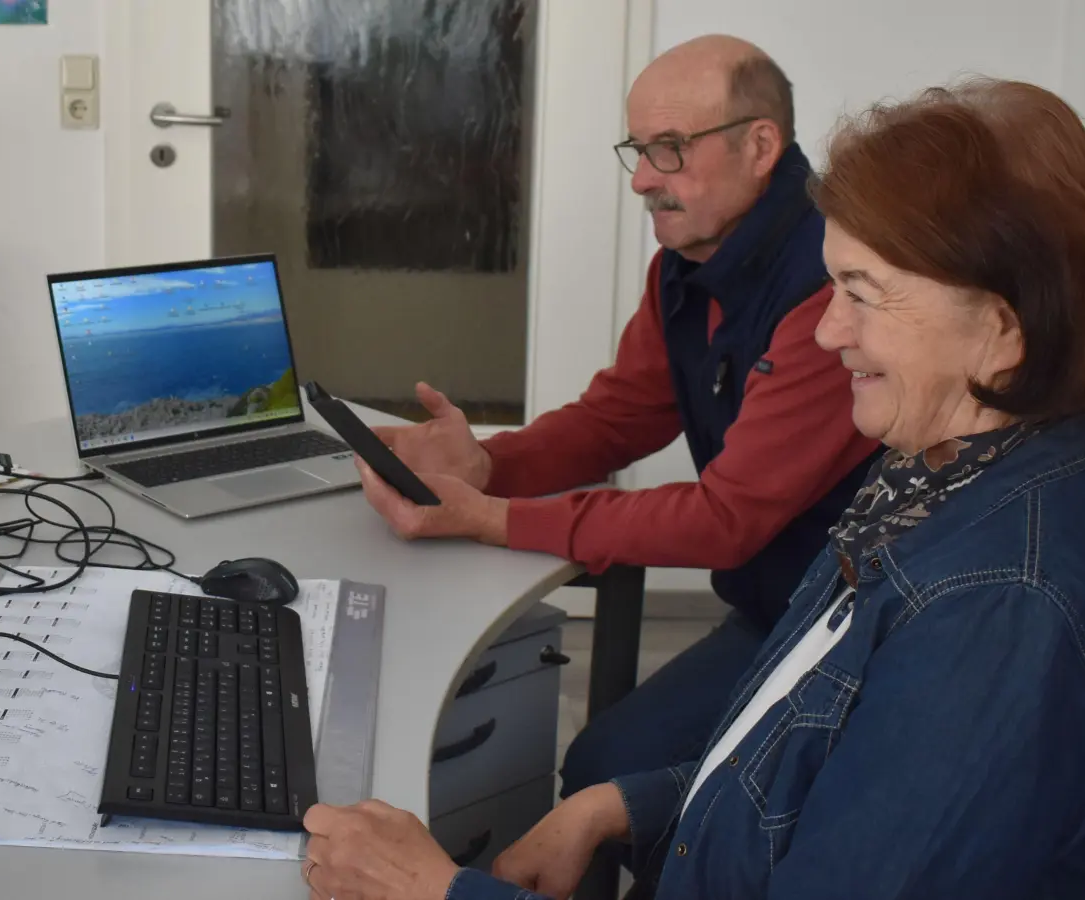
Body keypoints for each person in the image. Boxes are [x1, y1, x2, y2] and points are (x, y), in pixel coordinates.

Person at [300, 77, 1085, 900]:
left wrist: (440, 893)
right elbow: (807, 749)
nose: (826, 331)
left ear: (1002, 333)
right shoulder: (943, 463)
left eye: (861, 293)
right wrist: (622, 803)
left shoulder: (999, 615)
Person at [355, 34, 880, 797]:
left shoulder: (828, 289)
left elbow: (723, 519)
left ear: (761, 146)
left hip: (850, 626)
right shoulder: (689, 260)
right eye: (637, 150)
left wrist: (493, 518)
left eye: (670, 149)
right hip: (775, 604)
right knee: (608, 762)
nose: (641, 180)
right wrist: (491, 465)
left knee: (605, 769)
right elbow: (618, 418)